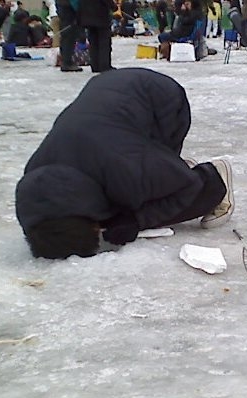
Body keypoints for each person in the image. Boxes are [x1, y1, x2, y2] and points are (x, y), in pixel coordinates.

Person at [15, 68, 235, 260]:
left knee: (152, 204)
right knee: (128, 197)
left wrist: (137, 220)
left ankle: (215, 177)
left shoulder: (127, 170)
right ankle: (170, 171)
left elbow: (188, 187)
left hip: (163, 101)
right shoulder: (36, 181)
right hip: (112, 96)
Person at [78, 0, 116, 72]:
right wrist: (113, 6)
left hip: (87, 16)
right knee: (104, 42)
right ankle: (104, 66)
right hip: (100, 15)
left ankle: (95, 65)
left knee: (93, 42)